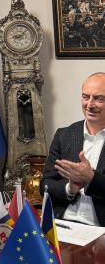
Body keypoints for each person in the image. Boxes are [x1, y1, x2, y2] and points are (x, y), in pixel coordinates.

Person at [41, 72, 105, 226]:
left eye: (98, 98)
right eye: (85, 97)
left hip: (100, 228)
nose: (90, 104)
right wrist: (70, 188)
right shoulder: (64, 135)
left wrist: (91, 178)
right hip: (63, 224)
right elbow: (45, 184)